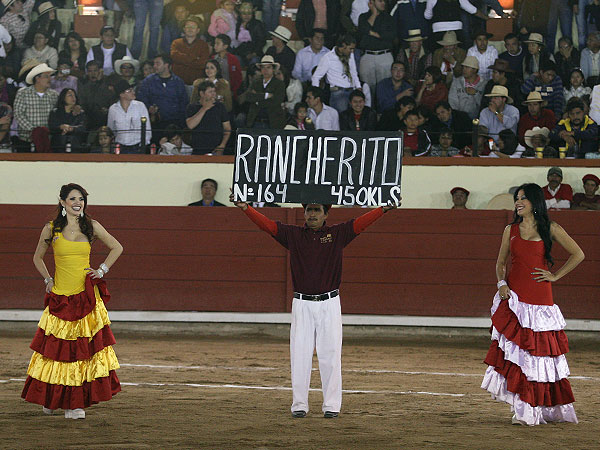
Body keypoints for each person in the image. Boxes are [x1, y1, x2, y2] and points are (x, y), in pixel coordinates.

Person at [229, 194, 399, 419]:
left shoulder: (337, 234)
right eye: (309, 210)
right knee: (299, 355)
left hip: (329, 303)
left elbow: (361, 224)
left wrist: (383, 209)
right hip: (302, 303)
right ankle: (299, 404)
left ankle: (331, 405)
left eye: (317, 210)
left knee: (330, 355)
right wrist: (245, 208)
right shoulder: (294, 235)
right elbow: (268, 226)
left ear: (326, 214)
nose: (311, 214)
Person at [481, 182, 584, 426]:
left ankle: (542, 408)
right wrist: (501, 283)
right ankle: (523, 409)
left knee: (540, 357)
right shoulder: (510, 230)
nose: (518, 202)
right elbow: (500, 263)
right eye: (516, 198)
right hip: (515, 300)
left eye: (523, 198)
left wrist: (556, 275)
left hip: (541, 301)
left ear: (535, 202)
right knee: (519, 357)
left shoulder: (551, 228)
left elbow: (578, 254)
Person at [21, 183, 124, 420]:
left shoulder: (92, 226)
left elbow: (117, 247)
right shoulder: (51, 229)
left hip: (86, 297)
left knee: (79, 353)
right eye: (73, 199)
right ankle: (51, 399)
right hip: (60, 297)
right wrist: (47, 278)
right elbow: (37, 257)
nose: (78, 202)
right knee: (56, 353)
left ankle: (73, 404)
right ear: (62, 202)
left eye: (81, 199)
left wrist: (102, 270)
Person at [137, 54, 189, 134]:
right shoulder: (148, 82)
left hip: (174, 123)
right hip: (155, 122)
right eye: (154, 63)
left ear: (166, 65)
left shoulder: (178, 82)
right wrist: (149, 108)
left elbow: (184, 103)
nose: (154, 66)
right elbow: (142, 99)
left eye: (158, 63)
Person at [13, 63, 59, 152]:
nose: (50, 79)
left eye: (49, 76)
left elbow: (58, 114)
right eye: (46, 76)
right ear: (37, 78)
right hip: (26, 139)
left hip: (47, 139)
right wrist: (33, 130)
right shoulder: (23, 93)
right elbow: (18, 114)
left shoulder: (54, 95)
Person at [311, 34, 361, 114]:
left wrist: (358, 87)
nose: (352, 51)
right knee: (341, 120)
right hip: (338, 94)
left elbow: (353, 72)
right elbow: (316, 77)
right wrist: (317, 95)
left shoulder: (350, 55)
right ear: (344, 45)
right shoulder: (328, 57)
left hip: (352, 92)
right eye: (350, 48)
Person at [357, 0, 396, 93]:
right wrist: (374, 14)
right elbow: (363, 30)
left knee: (385, 88)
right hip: (367, 55)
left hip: (385, 55)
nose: (383, 3)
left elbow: (390, 36)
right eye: (380, 1)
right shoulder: (363, 17)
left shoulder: (389, 18)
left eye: (384, 1)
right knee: (367, 90)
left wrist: (371, 33)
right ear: (372, 2)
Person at [186, 80, 231, 154]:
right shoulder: (192, 107)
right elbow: (190, 125)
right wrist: (204, 108)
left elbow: (227, 128)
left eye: (214, 91)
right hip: (198, 149)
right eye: (210, 92)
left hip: (216, 149)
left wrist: (222, 145)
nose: (214, 94)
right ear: (202, 94)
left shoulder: (220, 107)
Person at [107, 79, 152, 153]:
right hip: (120, 147)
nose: (133, 92)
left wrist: (143, 146)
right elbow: (111, 129)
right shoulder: (113, 109)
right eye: (129, 91)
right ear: (121, 94)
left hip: (138, 147)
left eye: (132, 90)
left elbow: (147, 128)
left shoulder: (140, 106)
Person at [243, 55, 286, 129]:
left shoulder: (279, 84)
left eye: (268, 67)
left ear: (273, 69)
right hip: (255, 121)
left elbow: (276, 101)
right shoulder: (256, 82)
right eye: (263, 67)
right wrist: (265, 96)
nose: (265, 70)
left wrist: (257, 101)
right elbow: (248, 96)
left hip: (272, 122)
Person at [170, 17, 210, 88]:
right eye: (187, 26)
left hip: (195, 84)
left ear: (198, 30)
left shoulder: (203, 45)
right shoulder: (176, 43)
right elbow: (174, 57)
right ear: (184, 29)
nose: (190, 29)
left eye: (193, 27)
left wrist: (182, 60)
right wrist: (195, 58)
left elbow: (203, 63)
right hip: (176, 83)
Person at [78, 60, 115, 132]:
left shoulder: (109, 83)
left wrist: (100, 82)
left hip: (107, 118)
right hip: (90, 119)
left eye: (95, 70)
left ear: (100, 71)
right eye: (90, 71)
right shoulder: (85, 86)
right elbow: (84, 103)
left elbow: (112, 99)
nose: (93, 74)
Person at [48, 88, 88, 152]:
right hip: (58, 146)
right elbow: (52, 127)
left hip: (75, 145)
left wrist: (71, 128)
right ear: (63, 98)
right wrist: (61, 127)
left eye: (74, 95)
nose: (73, 97)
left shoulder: (80, 112)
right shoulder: (55, 112)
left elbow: (83, 127)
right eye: (70, 95)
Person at [232, 1, 266, 68]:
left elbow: (262, 40)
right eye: (244, 14)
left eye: (249, 14)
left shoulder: (257, 24)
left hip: (254, 51)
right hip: (241, 52)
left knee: (254, 61)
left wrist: (254, 53)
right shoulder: (238, 24)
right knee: (235, 60)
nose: (246, 16)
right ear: (240, 14)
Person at [212, 34, 243, 98]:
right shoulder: (213, 58)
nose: (215, 46)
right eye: (215, 43)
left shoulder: (233, 59)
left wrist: (233, 90)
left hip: (229, 91)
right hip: (214, 91)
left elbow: (238, 77)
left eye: (218, 44)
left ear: (225, 46)